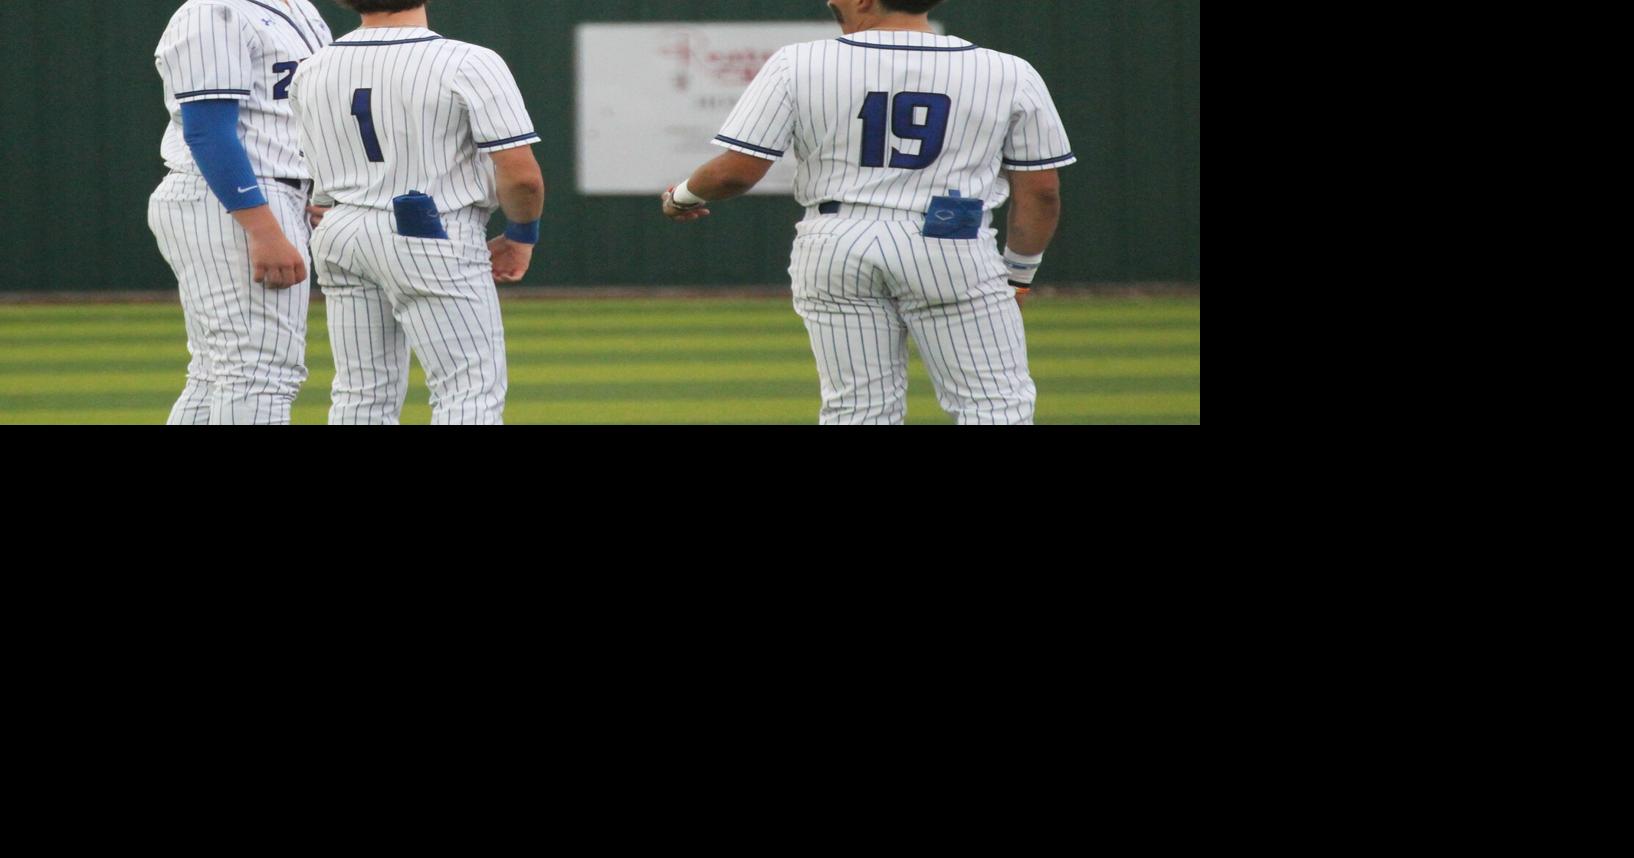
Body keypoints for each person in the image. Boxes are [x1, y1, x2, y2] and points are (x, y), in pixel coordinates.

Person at [662, 0, 1074, 425]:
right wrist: (1018, 278)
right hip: (950, 240)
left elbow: (736, 173)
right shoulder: (1009, 72)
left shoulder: (799, 62)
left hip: (836, 240)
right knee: (993, 405)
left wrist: (683, 196)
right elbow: (1041, 192)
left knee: (857, 411)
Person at [290, 0, 545, 425]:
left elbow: (316, 172)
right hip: (428, 228)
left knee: (361, 394)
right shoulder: (469, 61)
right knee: (467, 391)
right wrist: (521, 234)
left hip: (340, 227)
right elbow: (523, 178)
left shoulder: (312, 67)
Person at [148, 0, 333, 424]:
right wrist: (262, 229)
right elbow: (208, 131)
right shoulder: (211, 10)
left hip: (273, 194)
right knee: (260, 374)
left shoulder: (299, 7)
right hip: (234, 198)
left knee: (216, 375)